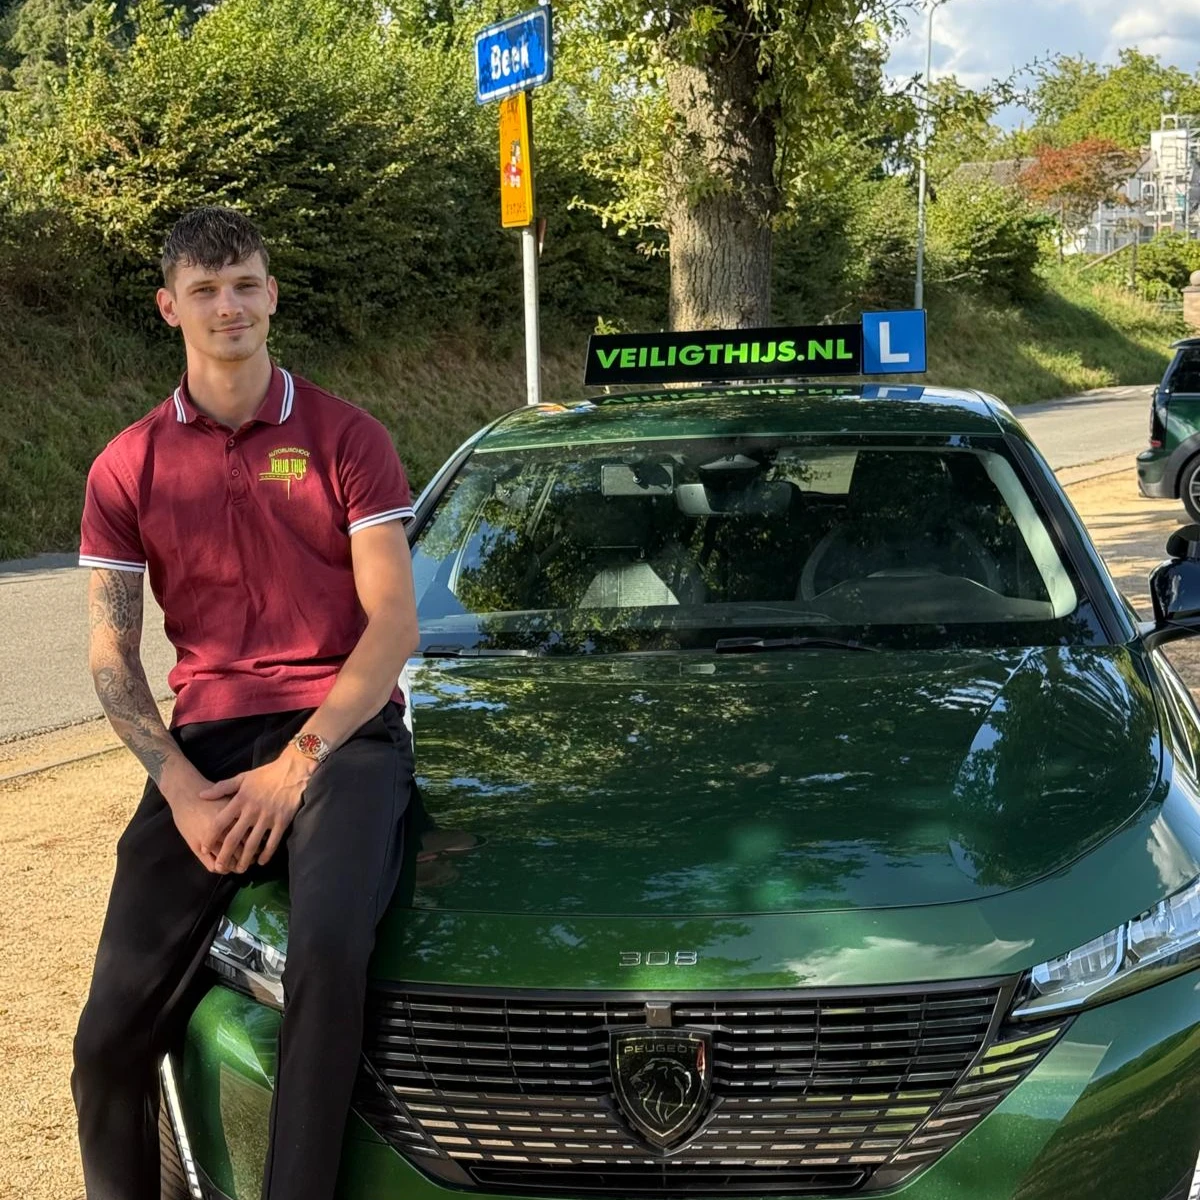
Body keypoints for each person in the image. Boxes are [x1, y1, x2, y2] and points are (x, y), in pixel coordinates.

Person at [70, 205, 419, 1200]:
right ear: (169, 306)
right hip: (208, 745)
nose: (229, 306)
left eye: (245, 285)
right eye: (206, 290)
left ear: (272, 294)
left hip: (343, 732)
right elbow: (112, 655)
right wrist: (182, 791)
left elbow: (393, 625)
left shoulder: (347, 436)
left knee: (326, 957)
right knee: (106, 1042)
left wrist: (294, 770)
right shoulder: (127, 465)